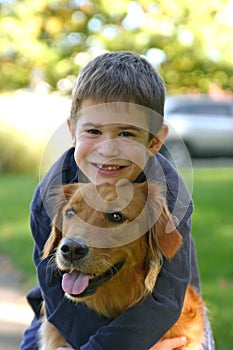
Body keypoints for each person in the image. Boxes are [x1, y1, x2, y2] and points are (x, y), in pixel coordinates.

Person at [21, 51, 214, 350]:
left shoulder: (169, 195)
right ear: (73, 132)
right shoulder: (50, 195)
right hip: (64, 306)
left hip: (161, 305)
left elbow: (168, 297)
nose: (108, 149)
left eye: (126, 133)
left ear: (154, 142)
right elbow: (54, 290)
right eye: (94, 131)